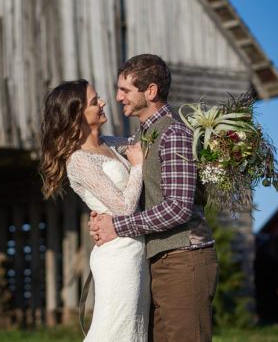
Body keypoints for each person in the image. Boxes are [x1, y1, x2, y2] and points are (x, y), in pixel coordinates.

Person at [89, 54, 219, 342]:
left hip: (186, 259)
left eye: (125, 90)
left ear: (150, 91)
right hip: (160, 259)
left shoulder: (173, 134)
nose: (117, 97)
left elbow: (177, 209)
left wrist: (117, 226)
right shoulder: (144, 135)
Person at [40, 79, 150, 341]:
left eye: (98, 97)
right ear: (77, 115)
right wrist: (137, 166)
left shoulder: (108, 143)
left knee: (134, 332)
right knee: (114, 331)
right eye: (94, 102)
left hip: (136, 251)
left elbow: (143, 142)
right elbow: (123, 208)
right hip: (118, 257)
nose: (103, 102)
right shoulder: (79, 160)